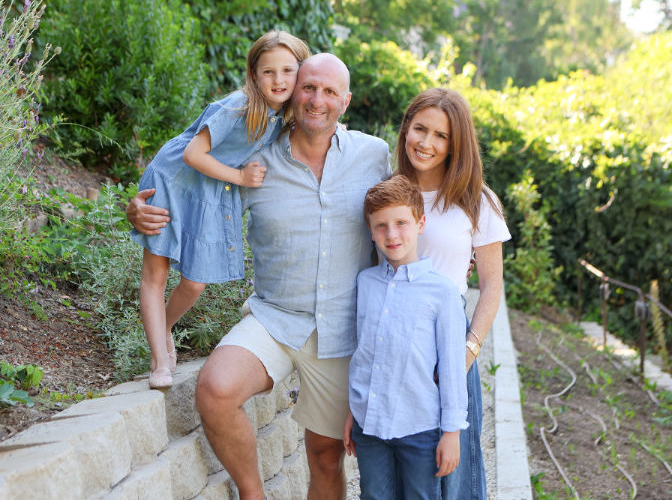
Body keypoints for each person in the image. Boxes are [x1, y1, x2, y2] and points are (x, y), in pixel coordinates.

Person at [127, 52, 391, 499]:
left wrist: (466, 233)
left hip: (345, 329)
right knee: (214, 389)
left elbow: (417, 198)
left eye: (329, 92)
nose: (317, 100)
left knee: (326, 455)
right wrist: (139, 207)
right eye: (308, 87)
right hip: (275, 318)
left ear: (346, 102)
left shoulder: (373, 155)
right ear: (291, 93)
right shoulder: (253, 161)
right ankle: (253, 495)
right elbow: (189, 183)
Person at [130, 30, 310, 389]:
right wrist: (241, 177)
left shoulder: (280, 116)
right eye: (268, 72)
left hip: (207, 189)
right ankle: (159, 360)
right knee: (156, 275)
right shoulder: (237, 106)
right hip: (172, 181)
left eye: (288, 71)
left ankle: (163, 327)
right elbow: (192, 154)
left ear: (300, 73)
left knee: (195, 283)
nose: (278, 80)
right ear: (254, 76)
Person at [394, 87, 511, 500]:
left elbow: (492, 284)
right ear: (406, 128)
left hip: (447, 336)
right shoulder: (387, 190)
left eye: (440, 135)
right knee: (399, 463)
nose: (426, 143)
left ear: (455, 143)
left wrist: (467, 352)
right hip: (391, 335)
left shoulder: (476, 200)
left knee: (455, 469)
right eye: (419, 129)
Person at [342, 175, 468, 500]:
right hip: (370, 428)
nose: (392, 234)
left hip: (420, 426)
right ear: (370, 231)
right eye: (381, 226)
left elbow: (453, 368)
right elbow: (363, 355)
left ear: (420, 222)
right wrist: (353, 411)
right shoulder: (365, 283)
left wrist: (452, 432)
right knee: (373, 496)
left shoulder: (442, 292)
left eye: (401, 222)